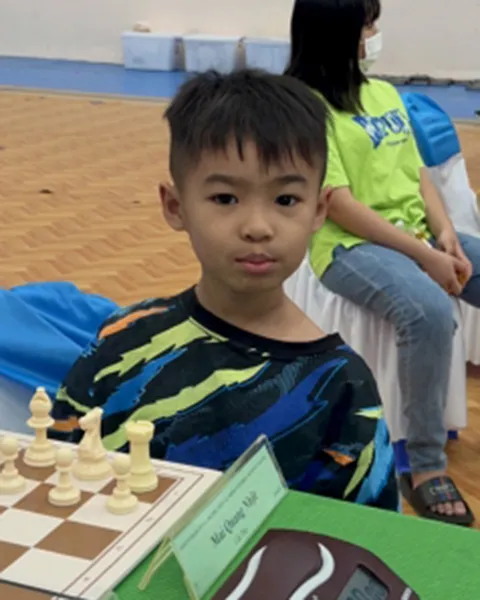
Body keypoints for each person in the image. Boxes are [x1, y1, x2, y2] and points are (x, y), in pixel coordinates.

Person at [50, 69, 398, 510]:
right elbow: (57, 463)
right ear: (175, 206)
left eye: (286, 200)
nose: (257, 227)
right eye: (225, 198)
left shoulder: (342, 386)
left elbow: (370, 532)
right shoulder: (123, 338)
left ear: (319, 209)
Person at [285, 0, 478, 526]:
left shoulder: (384, 93)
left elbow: (419, 175)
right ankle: (426, 466)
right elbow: (339, 205)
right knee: (427, 311)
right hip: (349, 246)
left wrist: (446, 235)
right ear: (337, 33)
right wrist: (425, 257)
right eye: (366, 24)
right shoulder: (305, 109)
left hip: (417, 234)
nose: (373, 34)